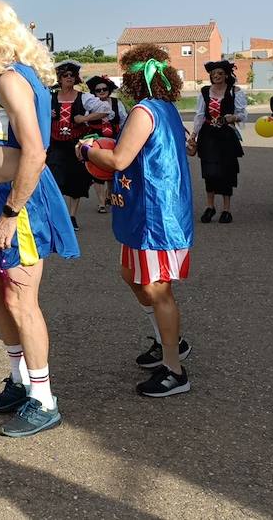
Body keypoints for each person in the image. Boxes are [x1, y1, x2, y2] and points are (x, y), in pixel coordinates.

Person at [0, 0, 79, 438]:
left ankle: (44, 399)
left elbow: (36, 152)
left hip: (19, 203)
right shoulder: (4, 79)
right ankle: (20, 384)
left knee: (22, 300)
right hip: (0, 197)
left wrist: (10, 212)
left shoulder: (11, 81)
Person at [80, 43, 194, 398]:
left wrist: (86, 149)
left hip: (156, 214)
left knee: (159, 288)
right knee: (131, 275)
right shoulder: (165, 108)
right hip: (146, 207)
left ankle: (174, 370)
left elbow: (117, 160)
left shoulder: (145, 111)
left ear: (134, 79)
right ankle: (167, 339)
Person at [46, 61, 104, 229]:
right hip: (55, 144)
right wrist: (46, 114)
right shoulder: (50, 98)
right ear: (59, 78)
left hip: (75, 144)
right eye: (65, 75)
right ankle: (57, 215)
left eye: (72, 75)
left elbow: (106, 110)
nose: (69, 78)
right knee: (53, 180)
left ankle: (71, 217)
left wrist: (85, 118)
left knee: (76, 181)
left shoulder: (83, 97)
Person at [189, 61, 246, 224]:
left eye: (220, 73)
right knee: (209, 171)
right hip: (208, 135)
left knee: (227, 171)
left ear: (226, 75)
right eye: (214, 74)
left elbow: (243, 114)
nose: (216, 76)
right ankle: (210, 206)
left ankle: (226, 209)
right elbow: (200, 115)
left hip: (226, 135)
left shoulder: (235, 92)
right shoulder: (205, 92)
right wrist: (194, 134)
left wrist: (233, 117)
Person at [87, 74, 127, 215]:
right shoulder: (91, 104)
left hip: (114, 140)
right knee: (97, 172)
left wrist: (123, 136)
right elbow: (85, 121)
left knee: (112, 170)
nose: (102, 92)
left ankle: (110, 195)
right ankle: (101, 201)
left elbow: (124, 120)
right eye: (98, 90)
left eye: (104, 89)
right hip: (97, 142)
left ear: (109, 90)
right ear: (94, 92)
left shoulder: (117, 103)